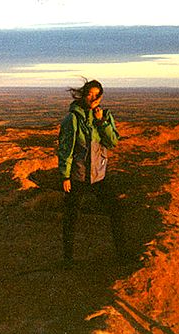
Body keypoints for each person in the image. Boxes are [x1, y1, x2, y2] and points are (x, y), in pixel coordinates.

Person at [57, 79, 121, 267]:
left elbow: (112, 142)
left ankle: (122, 253)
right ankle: (68, 259)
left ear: (101, 96)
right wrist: (65, 176)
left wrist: (101, 121)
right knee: (71, 218)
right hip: (77, 176)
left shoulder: (105, 116)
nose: (93, 98)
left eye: (96, 94)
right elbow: (66, 149)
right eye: (89, 94)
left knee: (116, 211)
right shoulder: (72, 119)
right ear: (83, 94)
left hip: (98, 176)